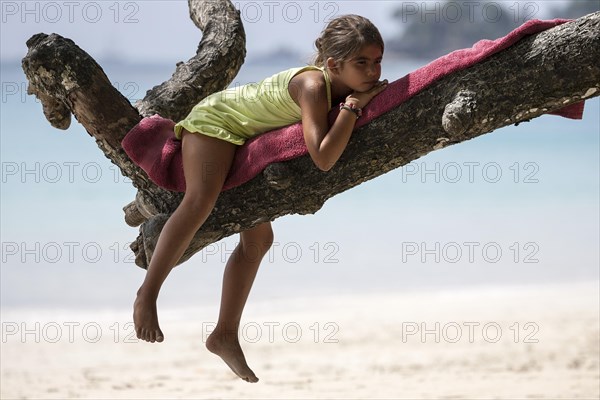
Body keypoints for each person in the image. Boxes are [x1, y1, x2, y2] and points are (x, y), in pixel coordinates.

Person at [133, 14, 388, 383]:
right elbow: (324, 156)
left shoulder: (335, 86)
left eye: (377, 61)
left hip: (242, 135)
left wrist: (353, 99)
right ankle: (147, 295)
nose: (373, 71)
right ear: (334, 64)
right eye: (361, 63)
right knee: (199, 203)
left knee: (260, 239)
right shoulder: (315, 86)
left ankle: (224, 334)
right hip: (215, 123)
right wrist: (353, 107)